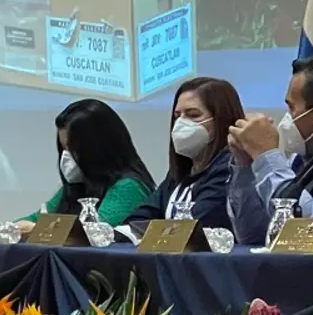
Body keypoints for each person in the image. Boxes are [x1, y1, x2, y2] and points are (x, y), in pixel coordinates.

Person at [228, 51, 313, 245]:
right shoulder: (301, 158)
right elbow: (254, 236)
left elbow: (311, 232)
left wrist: (266, 155)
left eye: (291, 108)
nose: (287, 117)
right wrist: (245, 166)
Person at [123, 77, 245, 230]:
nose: (181, 123)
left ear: (221, 120)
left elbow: (192, 226)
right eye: (177, 116)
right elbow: (138, 219)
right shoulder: (180, 174)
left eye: (193, 115)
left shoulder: (229, 168)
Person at [16, 99, 153, 233]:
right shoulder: (77, 185)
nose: (66, 157)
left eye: (73, 150)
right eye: (63, 149)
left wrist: (36, 230)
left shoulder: (128, 187)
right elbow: (37, 218)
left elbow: (95, 233)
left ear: (98, 149)